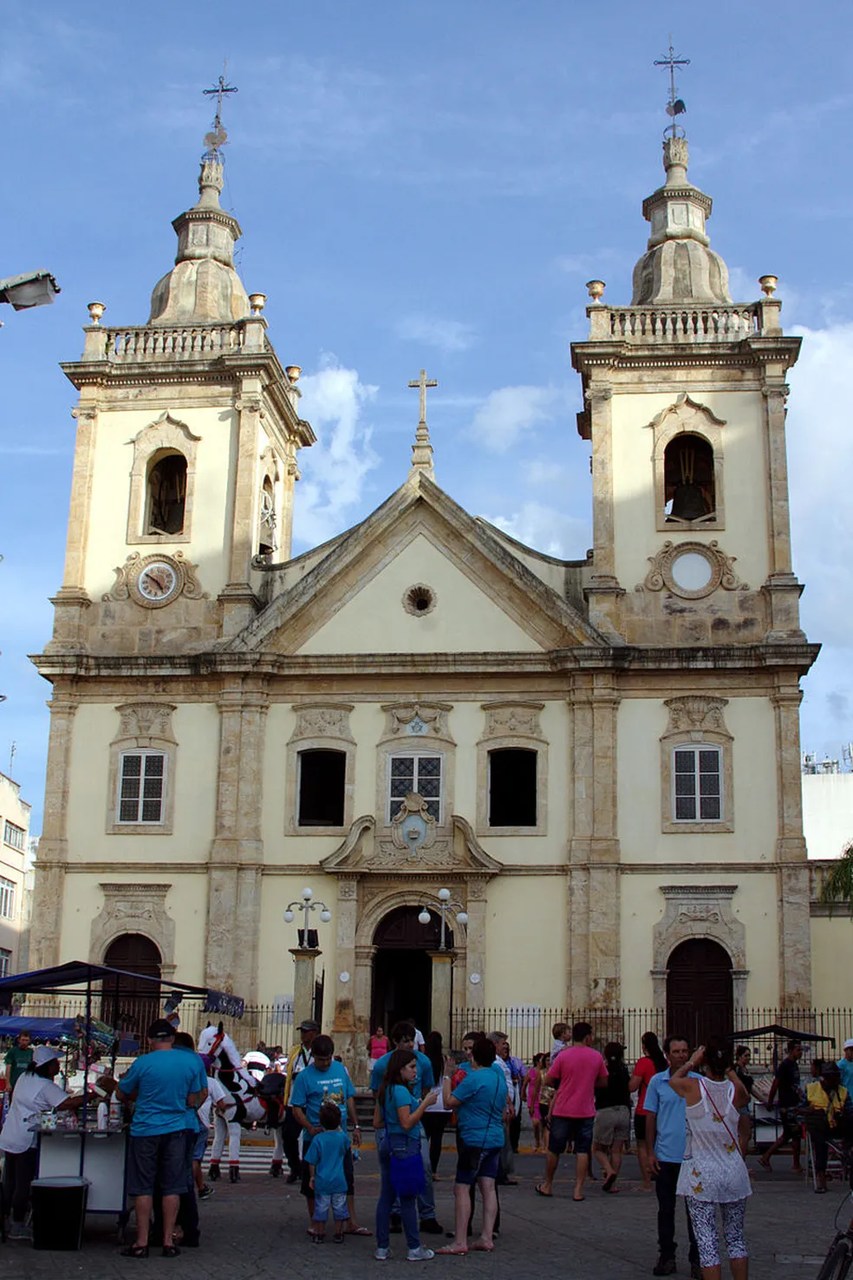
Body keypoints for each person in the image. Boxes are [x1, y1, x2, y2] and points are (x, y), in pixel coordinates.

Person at [116, 1018, 208, 1259]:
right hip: (177, 1128)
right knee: (173, 1186)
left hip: (145, 1130)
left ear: (149, 1040)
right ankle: (168, 1242)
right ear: (172, 1038)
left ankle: (142, 1242)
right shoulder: (190, 1062)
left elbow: (121, 1092)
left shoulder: (143, 1063)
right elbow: (196, 1096)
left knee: (143, 1187)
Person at [668, 1038, 751, 1280]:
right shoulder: (735, 1091)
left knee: (707, 1242)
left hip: (701, 1175)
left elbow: (673, 1080)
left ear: (705, 1064)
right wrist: (728, 1068)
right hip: (733, 1171)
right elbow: (745, 1095)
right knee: (735, 1238)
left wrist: (692, 1061)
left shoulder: (693, 1088)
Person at [0, 1045, 88, 1240]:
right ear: (48, 1066)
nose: (58, 1066)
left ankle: (4, 1221)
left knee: (9, 1182)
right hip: (25, 1137)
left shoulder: (24, 1077)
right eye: (56, 1063)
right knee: (22, 1184)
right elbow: (67, 1103)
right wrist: (94, 1094)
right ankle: (17, 1225)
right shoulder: (45, 1086)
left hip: (10, 1133)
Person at [290, 1033, 368, 1235]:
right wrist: (309, 1127)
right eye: (320, 1059)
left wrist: (356, 1126)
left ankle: (351, 1221)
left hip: (340, 1136)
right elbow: (296, 1108)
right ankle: (315, 1222)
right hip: (315, 1137)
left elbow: (349, 1098)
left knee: (346, 1178)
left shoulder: (340, 1070)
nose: (324, 1063)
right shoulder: (305, 1077)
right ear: (313, 1056)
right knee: (312, 1182)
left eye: (327, 1059)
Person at [370, 1021, 442, 1234]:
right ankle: (395, 1213)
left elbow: (426, 1087)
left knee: (425, 1166)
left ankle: (427, 1213)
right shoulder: (382, 1065)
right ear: (395, 1042)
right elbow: (378, 1095)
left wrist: (416, 1105)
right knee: (390, 1170)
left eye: (412, 1040)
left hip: (413, 1121)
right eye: (406, 1041)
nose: (411, 1045)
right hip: (393, 1124)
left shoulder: (424, 1062)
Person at [438, 1037, 508, 1255]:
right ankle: (487, 1236)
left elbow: (449, 1102)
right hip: (495, 1137)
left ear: (475, 1056)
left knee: (462, 1187)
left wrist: (447, 1075)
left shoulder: (474, 1078)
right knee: (488, 1187)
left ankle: (460, 1241)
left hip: (474, 1139)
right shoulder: (498, 1077)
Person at [645, 1035, 701, 1279]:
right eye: (676, 1051)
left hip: (694, 1157)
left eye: (685, 1051)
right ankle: (666, 1256)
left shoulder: (700, 1082)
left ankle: (698, 1260)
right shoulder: (658, 1082)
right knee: (665, 1210)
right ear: (667, 1055)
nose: (681, 1055)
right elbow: (650, 1117)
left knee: (696, 1212)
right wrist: (650, 1152)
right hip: (666, 1155)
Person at [534, 1021, 607, 1202]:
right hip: (586, 1109)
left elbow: (549, 1079)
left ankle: (548, 1184)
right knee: (582, 1150)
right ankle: (578, 1190)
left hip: (563, 1108)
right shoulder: (596, 1056)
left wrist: (564, 1083)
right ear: (588, 1036)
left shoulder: (564, 1056)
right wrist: (588, 1083)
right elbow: (604, 1082)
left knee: (554, 1149)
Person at [305, 1101, 351, 1244]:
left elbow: (312, 1161)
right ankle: (339, 1232)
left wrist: (312, 1177)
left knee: (321, 1208)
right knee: (339, 1207)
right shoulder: (342, 1138)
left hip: (322, 1180)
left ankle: (319, 1232)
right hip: (339, 1179)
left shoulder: (318, 1139)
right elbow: (346, 1149)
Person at [281, 1018, 319, 1181]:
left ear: (314, 1033)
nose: (303, 1035)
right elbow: (288, 1073)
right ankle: (294, 1166)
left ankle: (307, 1169)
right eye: (302, 1031)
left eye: (306, 1031)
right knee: (288, 1136)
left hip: (311, 1102)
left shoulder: (319, 1051)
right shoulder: (295, 1051)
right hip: (294, 1100)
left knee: (311, 1138)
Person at [630, 1030, 668, 1192]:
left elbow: (633, 1086)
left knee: (643, 1145)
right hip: (662, 1110)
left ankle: (646, 1182)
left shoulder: (644, 1063)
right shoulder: (664, 1064)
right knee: (658, 1144)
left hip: (645, 1110)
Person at [804, 1060, 850, 1193]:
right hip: (819, 1127)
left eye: (836, 1077)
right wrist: (808, 1110)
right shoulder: (811, 1089)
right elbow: (799, 1110)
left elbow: (850, 1109)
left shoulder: (842, 1091)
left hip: (837, 1125)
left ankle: (846, 1153)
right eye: (831, 1077)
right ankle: (821, 1176)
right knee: (820, 1141)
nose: (834, 1080)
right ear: (823, 1078)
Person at [759, 1039, 803, 1173]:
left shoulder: (794, 1065)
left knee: (791, 1134)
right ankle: (768, 1157)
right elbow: (775, 1084)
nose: (800, 1053)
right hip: (786, 1105)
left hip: (794, 1103)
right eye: (798, 1050)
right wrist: (770, 1101)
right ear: (791, 1051)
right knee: (792, 1134)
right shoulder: (785, 1065)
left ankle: (769, 1157)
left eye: (801, 1050)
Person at [593, 1041, 631, 1193]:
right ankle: (613, 1185)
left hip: (606, 1110)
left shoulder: (603, 1069)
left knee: (597, 1148)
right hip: (623, 1111)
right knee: (616, 1150)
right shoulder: (624, 1070)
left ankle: (609, 1170)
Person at [422, 1031, 451, 1177]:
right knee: (437, 1139)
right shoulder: (444, 1059)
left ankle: (424, 1167)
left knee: (424, 1138)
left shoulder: (424, 1061)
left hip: (427, 1103)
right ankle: (433, 1170)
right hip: (441, 1104)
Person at [527, 1053, 549, 1153]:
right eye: (546, 1060)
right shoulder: (539, 1073)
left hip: (549, 1101)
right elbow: (534, 1088)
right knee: (539, 1123)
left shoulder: (553, 1072)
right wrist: (531, 1104)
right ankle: (539, 1142)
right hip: (539, 1100)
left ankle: (545, 1144)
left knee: (546, 1124)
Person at [4, 1030, 34, 1095]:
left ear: (29, 1041)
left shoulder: (31, 1052)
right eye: (23, 1040)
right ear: (19, 1040)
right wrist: (8, 1083)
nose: (24, 1042)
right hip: (14, 1083)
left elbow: (33, 1068)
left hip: (26, 1084)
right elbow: (8, 1067)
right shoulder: (13, 1051)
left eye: (26, 1040)